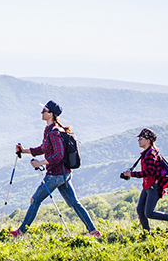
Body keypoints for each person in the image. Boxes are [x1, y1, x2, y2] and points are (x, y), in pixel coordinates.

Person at [11, 100, 101, 238]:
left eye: (44, 110)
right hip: (64, 174)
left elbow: (59, 155)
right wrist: (24, 151)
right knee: (75, 204)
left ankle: (21, 232)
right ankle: (93, 232)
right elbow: (44, 148)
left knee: (35, 200)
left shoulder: (53, 132)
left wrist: (40, 163)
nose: (41, 112)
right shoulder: (52, 129)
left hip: (55, 175)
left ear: (51, 114)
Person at [121, 128, 168, 232]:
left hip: (153, 187)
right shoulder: (147, 153)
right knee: (140, 210)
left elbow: (150, 172)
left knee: (149, 213)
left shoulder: (150, 154)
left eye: (141, 138)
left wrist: (131, 174)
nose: (139, 140)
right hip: (148, 186)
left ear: (148, 140)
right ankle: (146, 233)